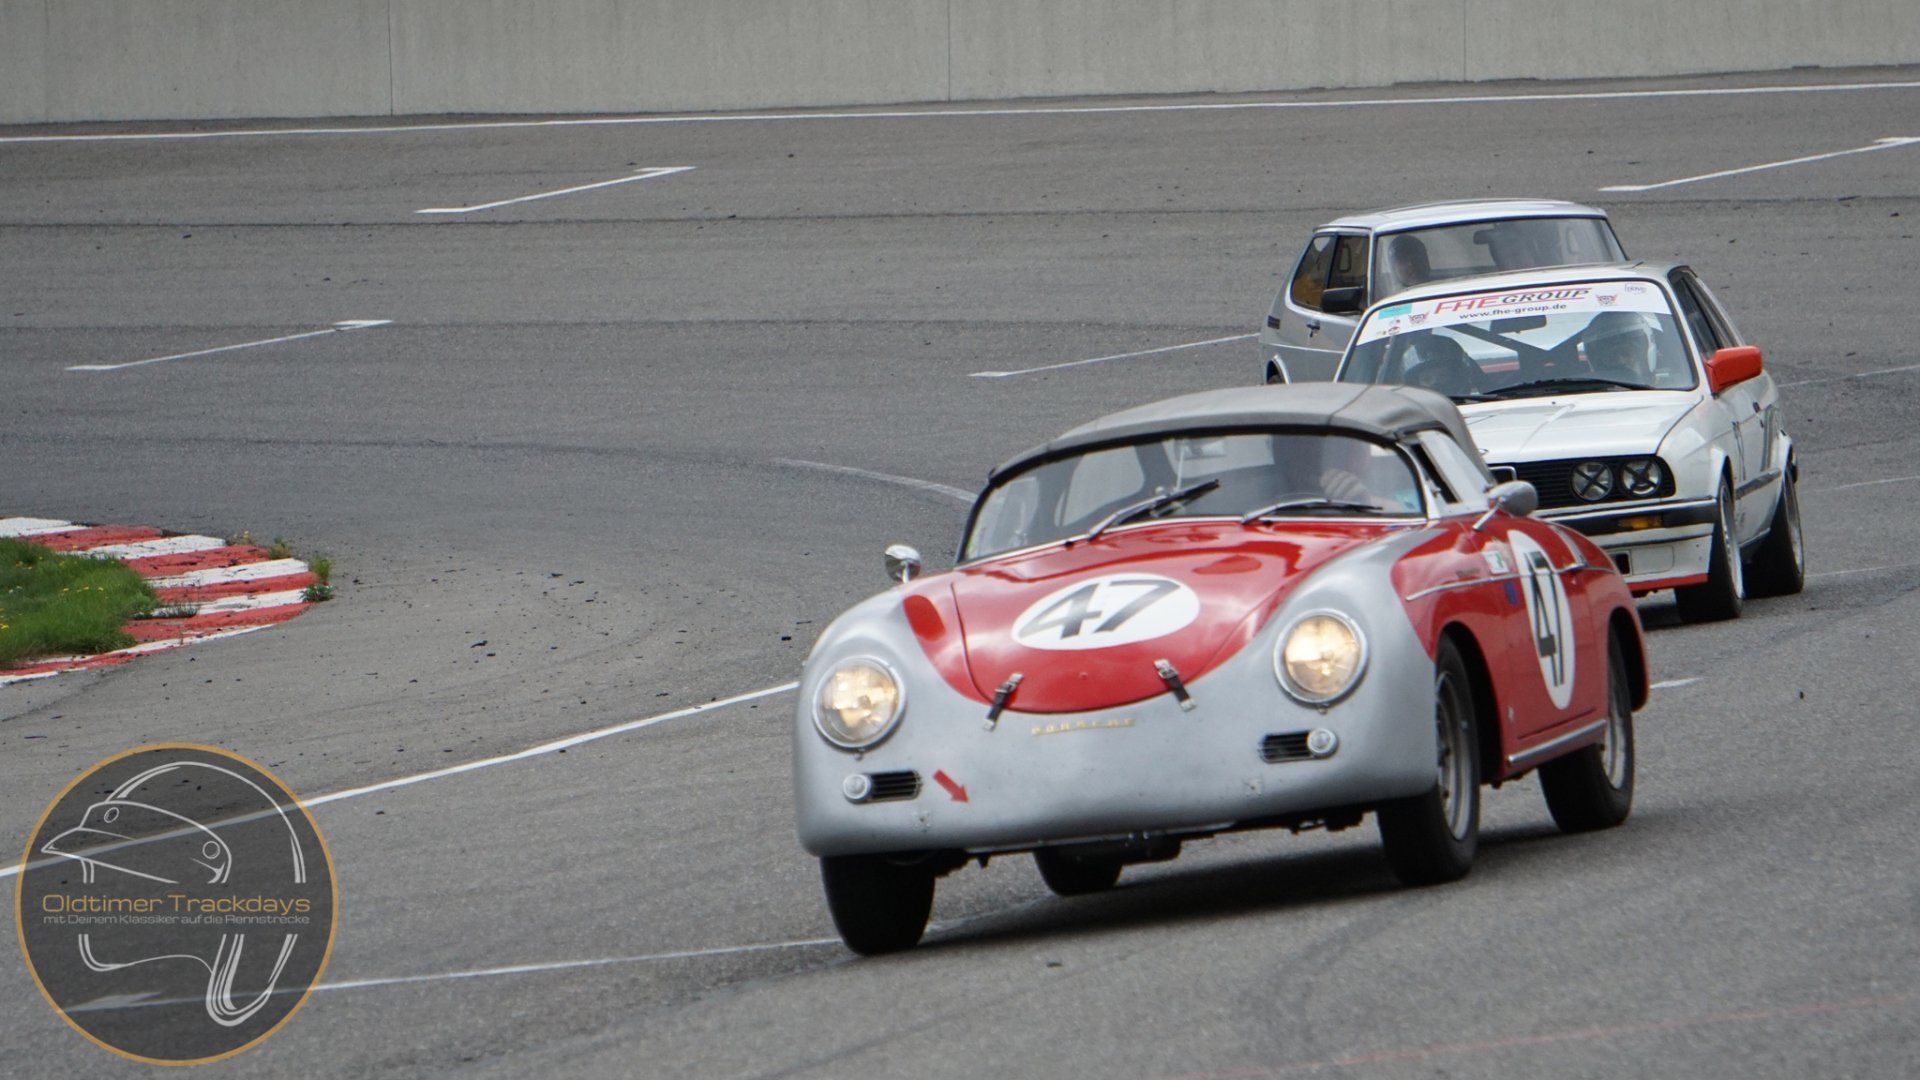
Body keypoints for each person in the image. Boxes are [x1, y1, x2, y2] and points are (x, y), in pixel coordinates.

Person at [1580, 311, 1655, 385]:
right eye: (1612, 356)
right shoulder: (1583, 388)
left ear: (1642, 352)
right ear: (1599, 360)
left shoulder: (1663, 390)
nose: (1620, 360)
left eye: (1625, 353)